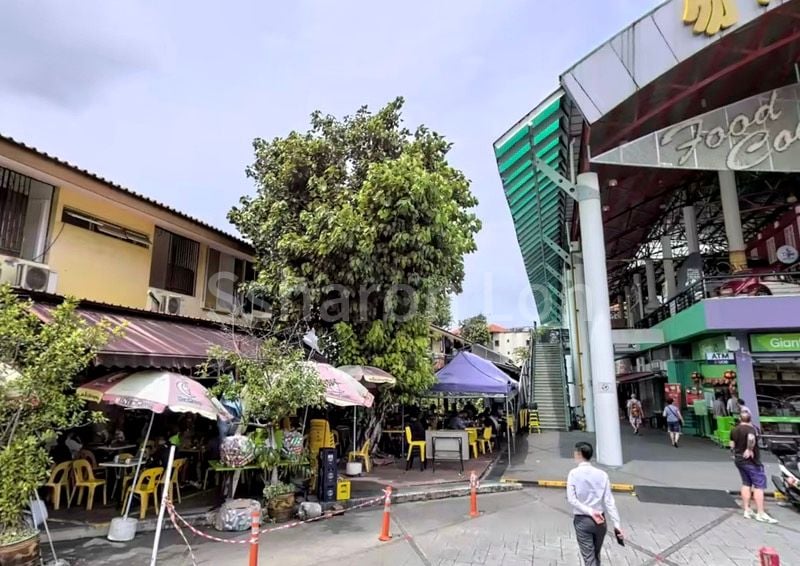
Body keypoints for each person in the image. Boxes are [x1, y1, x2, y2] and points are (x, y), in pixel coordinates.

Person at [567, 441, 623, 566]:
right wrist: (617, 524)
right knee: (595, 555)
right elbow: (609, 501)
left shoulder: (573, 474)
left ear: (579, 454)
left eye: (575, 453)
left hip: (583, 520)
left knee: (589, 558)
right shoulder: (603, 474)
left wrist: (589, 511)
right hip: (601, 521)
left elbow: (572, 499)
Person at [730, 411, 778, 524]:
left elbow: (731, 443)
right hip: (751, 461)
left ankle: (747, 509)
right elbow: (751, 438)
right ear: (750, 418)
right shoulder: (751, 429)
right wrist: (749, 449)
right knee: (759, 485)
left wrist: (734, 453)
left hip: (739, 459)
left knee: (746, 483)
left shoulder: (734, 429)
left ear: (739, 419)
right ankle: (760, 513)